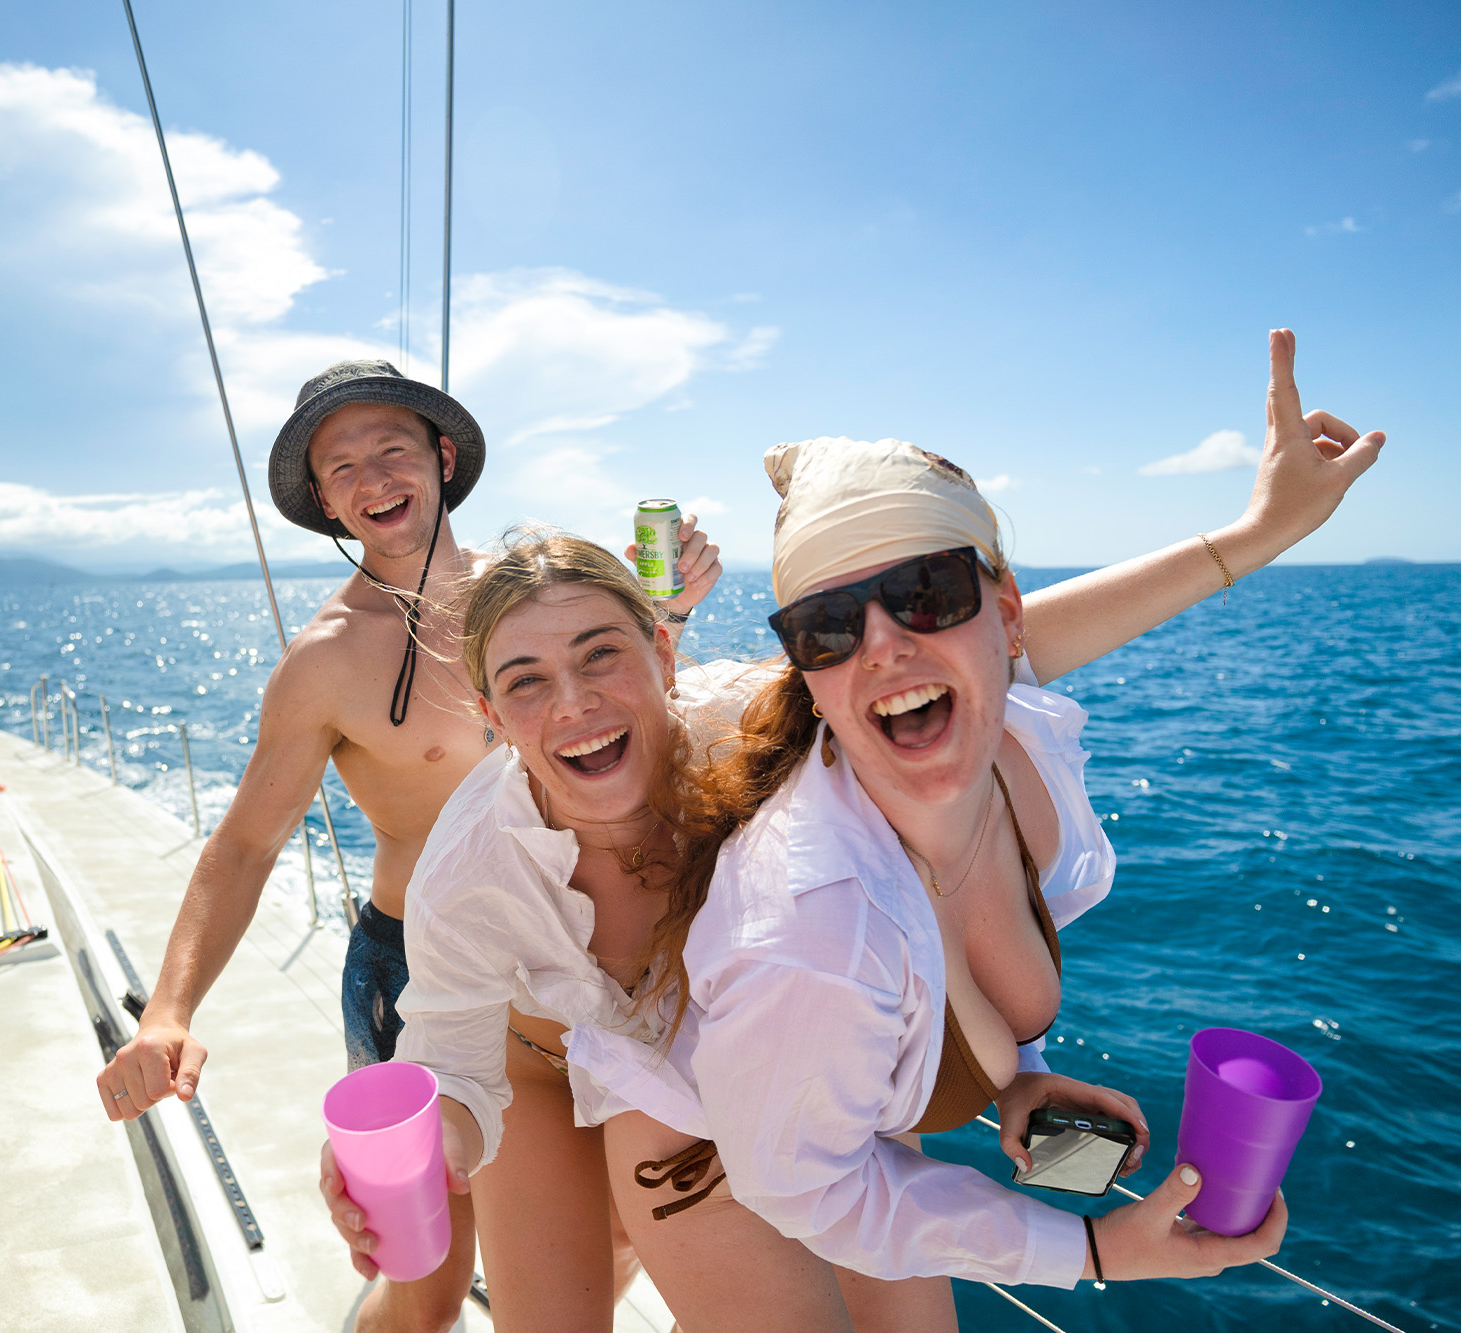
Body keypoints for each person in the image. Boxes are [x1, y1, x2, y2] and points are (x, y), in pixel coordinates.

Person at [321, 331, 1382, 1330]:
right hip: (569, 1066)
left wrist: (1252, 536)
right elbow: (455, 1066)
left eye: (601, 656)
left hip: (776, 1072)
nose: (575, 705)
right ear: (492, 718)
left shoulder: (755, 717)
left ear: (663, 653)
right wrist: (426, 1150)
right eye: (526, 682)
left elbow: (994, 649)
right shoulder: (478, 865)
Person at [95, 360, 720, 1333]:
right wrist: (166, 1013)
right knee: (424, 1278)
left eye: (389, 447)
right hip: (416, 970)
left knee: (614, 1238)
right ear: (324, 500)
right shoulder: (326, 659)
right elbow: (247, 845)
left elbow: (638, 713)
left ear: (439, 455)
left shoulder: (534, 597)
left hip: (588, 960)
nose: (370, 476)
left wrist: (668, 611)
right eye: (340, 465)